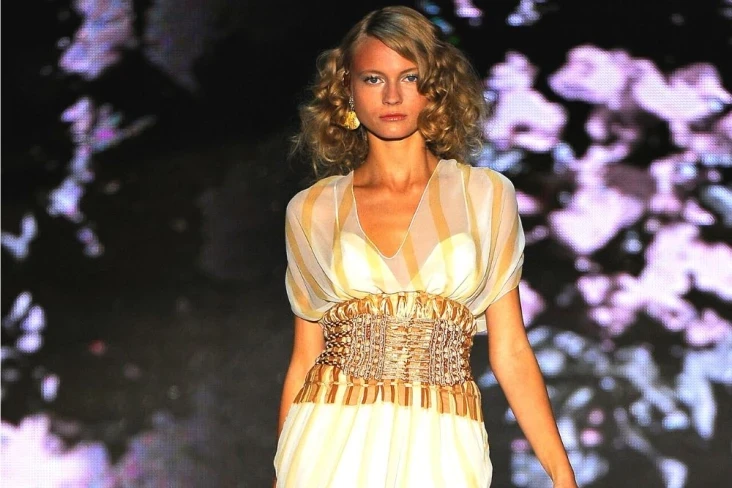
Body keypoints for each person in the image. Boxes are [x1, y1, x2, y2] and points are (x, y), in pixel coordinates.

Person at [274, 6, 577, 488]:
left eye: (409, 77)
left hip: (445, 437)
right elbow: (305, 359)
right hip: (329, 439)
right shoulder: (312, 210)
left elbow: (511, 351)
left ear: (435, 86)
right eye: (373, 78)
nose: (392, 96)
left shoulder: (484, 195)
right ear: (347, 89)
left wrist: (562, 474)